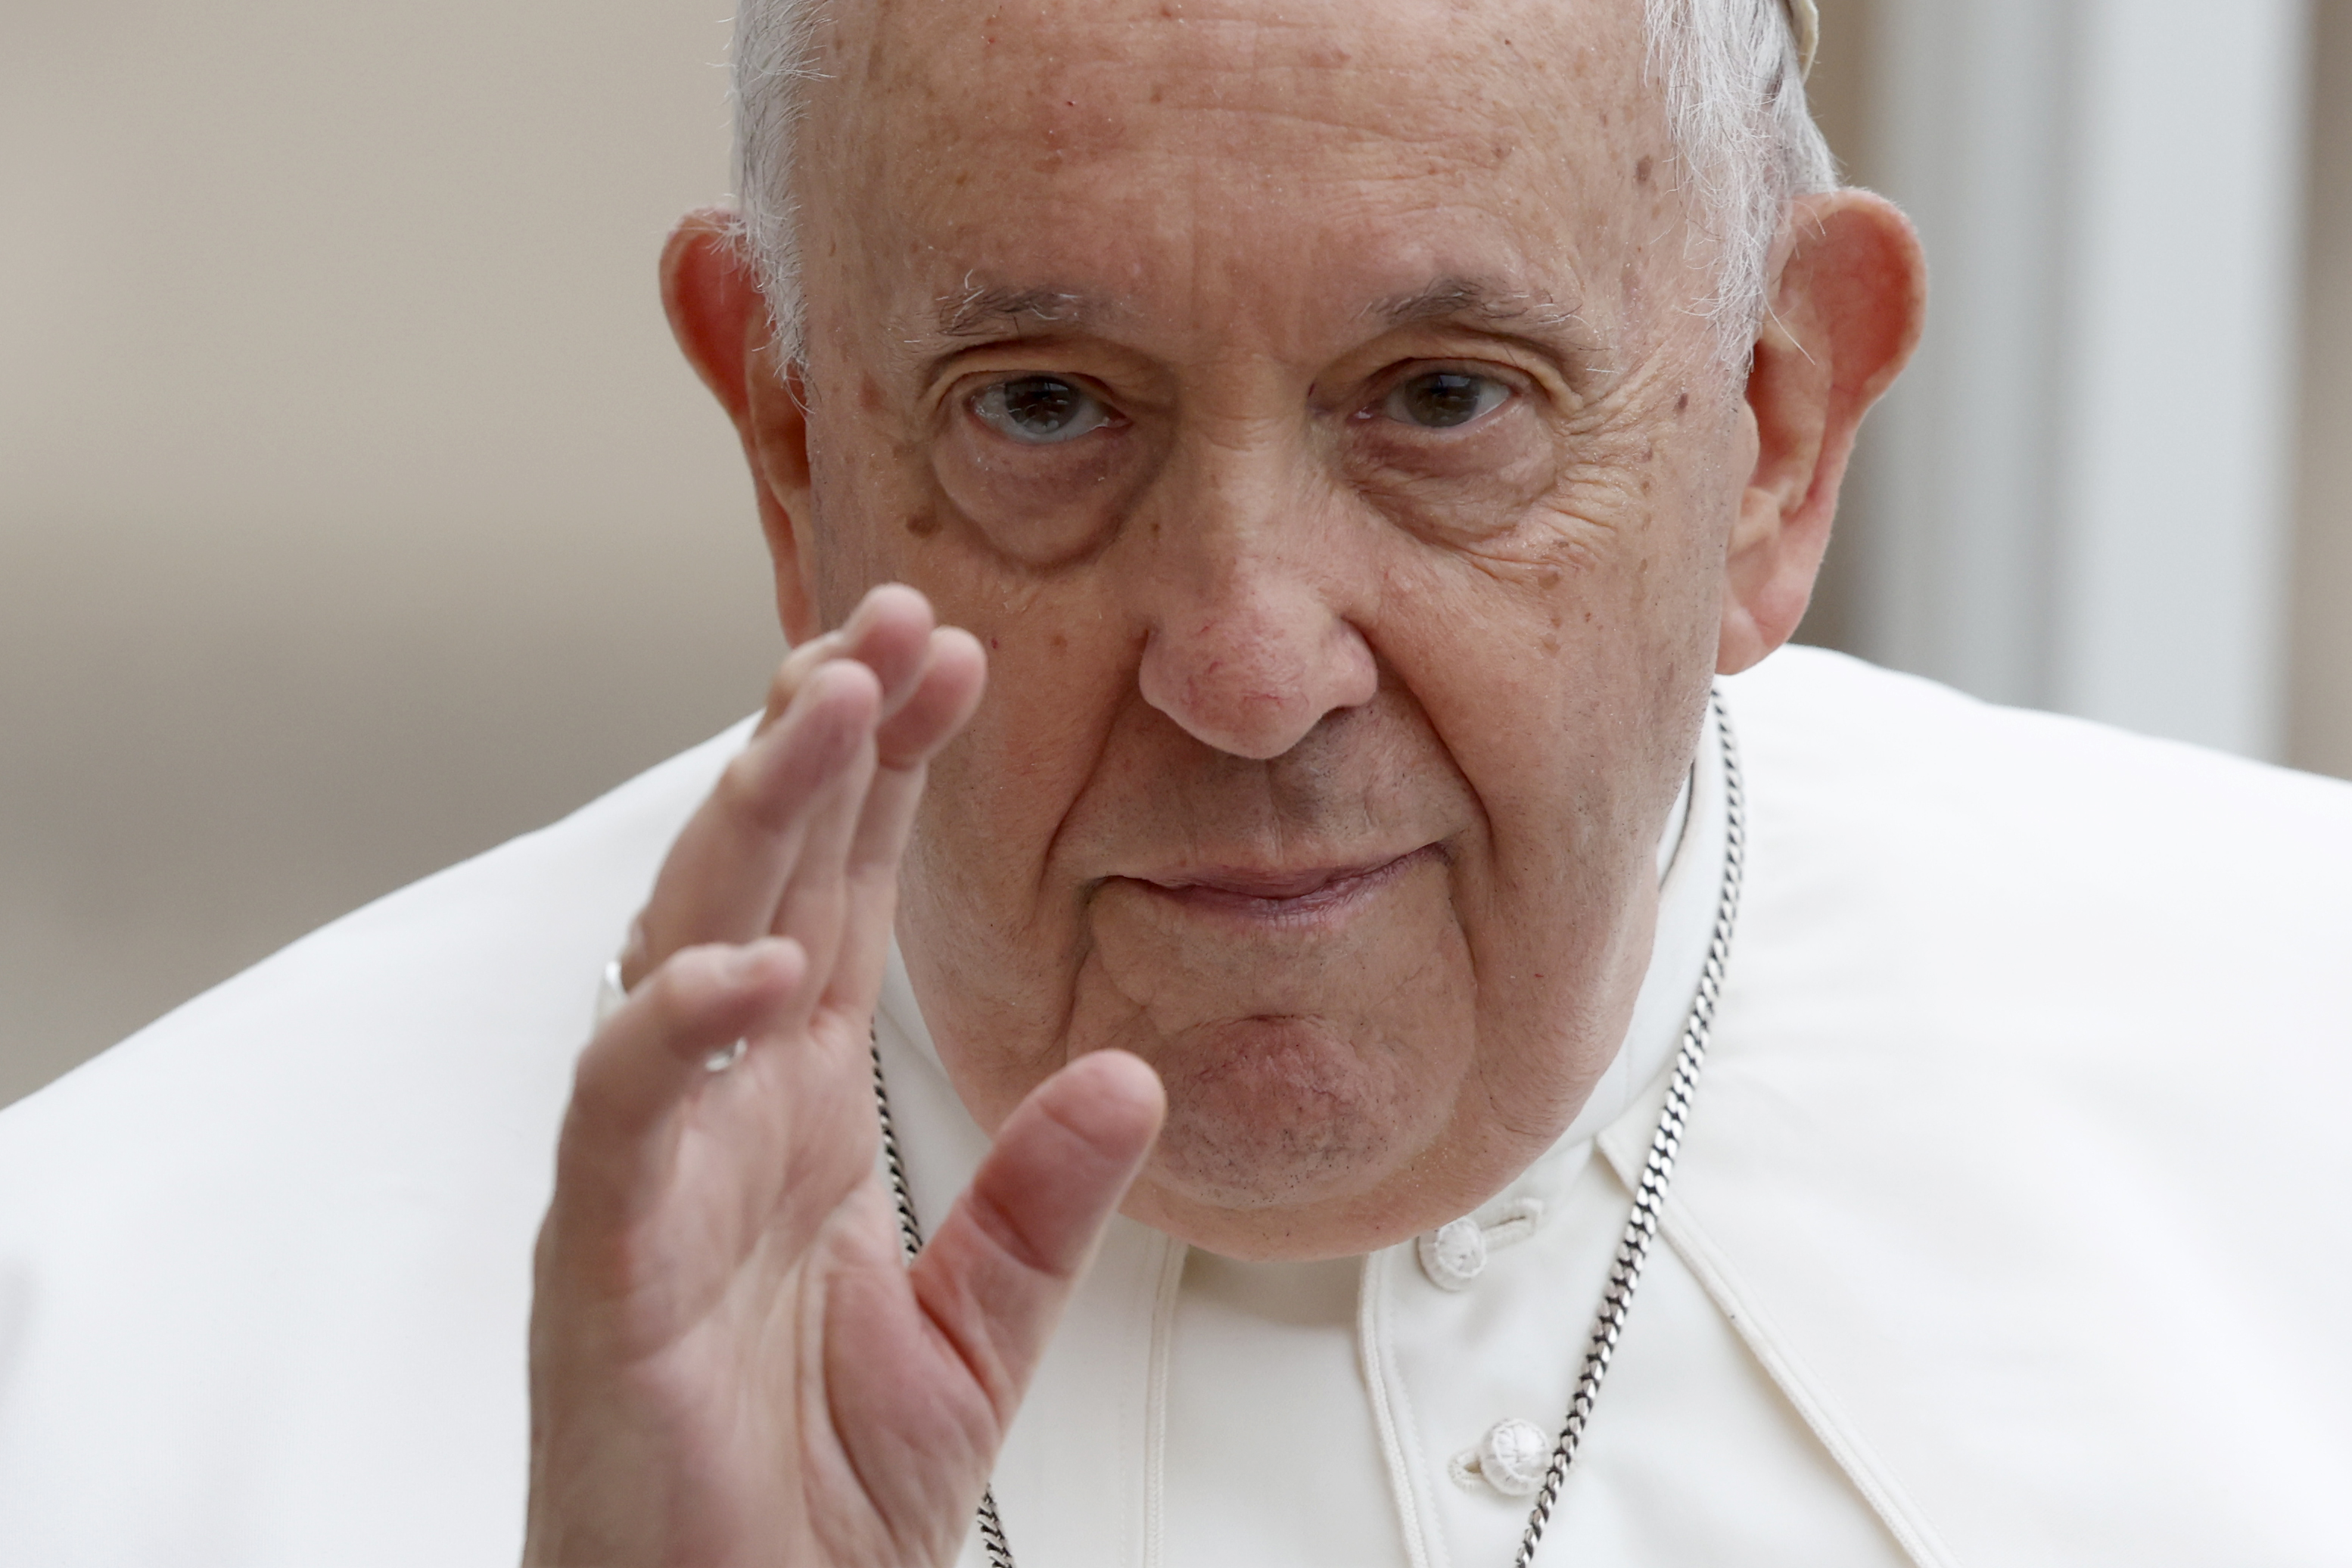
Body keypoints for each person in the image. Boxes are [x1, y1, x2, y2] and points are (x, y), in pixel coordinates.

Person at [2, 0, 2348, 1563]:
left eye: (1439, 399)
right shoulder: (89, 1358)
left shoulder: (2298, 1092)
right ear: (792, 442)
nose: (1243, 664)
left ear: (1774, 426)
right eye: (1043, 404)